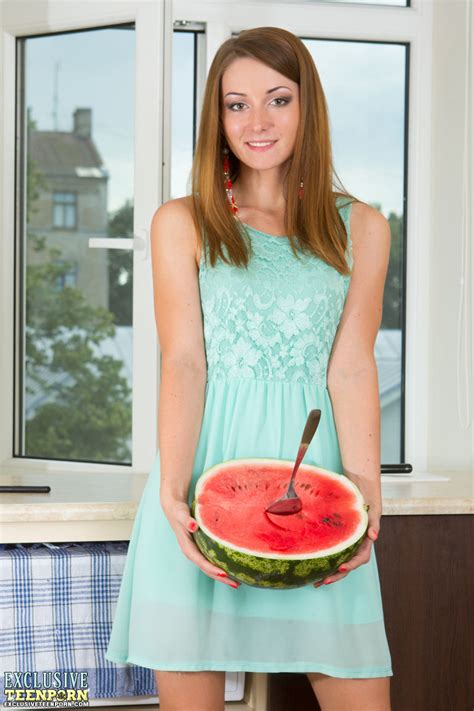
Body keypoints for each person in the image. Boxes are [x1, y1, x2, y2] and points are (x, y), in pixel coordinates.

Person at [105, 26, 393, 711]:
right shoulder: (183, 222)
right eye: (236, 104)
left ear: (308, 107)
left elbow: (351, 369)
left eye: (277, 99)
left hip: (318, 492)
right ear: (217, 118)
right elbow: (185, 361)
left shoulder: (365, 227)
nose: (256, 122)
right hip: (201, 481)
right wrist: (173, 493)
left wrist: (368, 500)